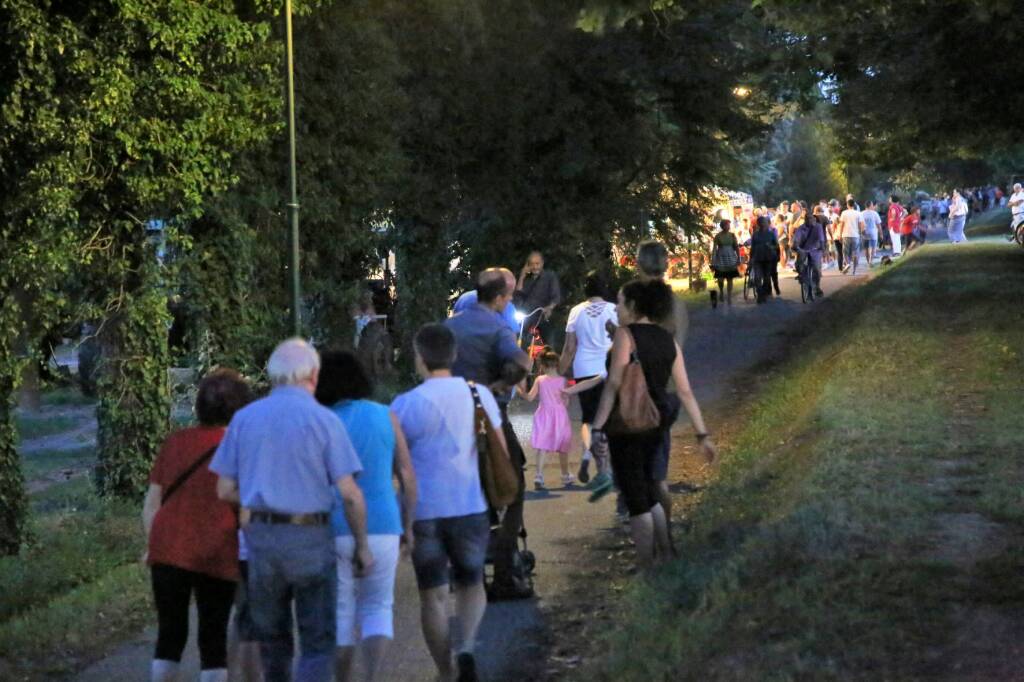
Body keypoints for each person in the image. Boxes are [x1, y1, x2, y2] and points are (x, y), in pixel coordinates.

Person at [211, 339, 371, 682]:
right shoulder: (324, 420)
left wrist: (259, 493)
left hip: (262, 539)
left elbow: (224, 488)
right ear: (312, 374)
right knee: (316, 640)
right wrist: (362, 545)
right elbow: (350, 494)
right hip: (311, 537)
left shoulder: (244, 419)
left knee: (273, 640)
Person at [391, 324, 505, 682]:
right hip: (470, 504)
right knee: (473, 582)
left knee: (433, 595)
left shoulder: (404, 404)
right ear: (453, 355)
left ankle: (445, 670)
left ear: (419, 358)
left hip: (423, 510)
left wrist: (402, 521)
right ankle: (467, 647)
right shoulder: (478, 395)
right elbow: (499, 446)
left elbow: (399, 465)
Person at [588, 280, 716, 569]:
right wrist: (702, 435)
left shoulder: (625, 335)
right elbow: (684, 391)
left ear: (633, 306)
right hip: (656, 422)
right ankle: (665, 551)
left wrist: (597, 426)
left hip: (628, 425)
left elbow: (614, 384)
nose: (617, 308)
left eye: (620, 302)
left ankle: (646, 566)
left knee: (636, 500)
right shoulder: (667, 339)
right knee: (649, 488)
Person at [143, 369, 253, 682]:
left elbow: (152, 504)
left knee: (170, 633)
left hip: (167, 548)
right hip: (217, 549)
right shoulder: (240, 446)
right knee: (213, 637)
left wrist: (153, 544)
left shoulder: (175, 441)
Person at [314, 351, 417, 682]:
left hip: (332, 525)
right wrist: (408, 526)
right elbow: (406, 474)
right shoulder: (386, 416)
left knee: (341, 611)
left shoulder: (321, 420)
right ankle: (371, 676)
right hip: (384, 523)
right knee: (377, 608)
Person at [446, 269, 533, 600]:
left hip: (453, 421)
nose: (508, 302)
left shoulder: (449, 326)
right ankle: (505, 575)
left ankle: (470, 574)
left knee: (467, 493)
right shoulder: (499, 327)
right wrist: (500, 385)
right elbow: (522, 363)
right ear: (498, 298)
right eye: (507, 297)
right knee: (514, 486)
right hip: (487, 416)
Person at [558, 270, 617, 483]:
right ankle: (604, 467)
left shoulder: (576, 312)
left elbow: (569, 347)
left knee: (587, 418)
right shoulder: (614, 310)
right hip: (608, 370)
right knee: (606, 417)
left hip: (583, 369)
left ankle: (586, 454)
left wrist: (559, 373)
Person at [522, 351, 573, 490]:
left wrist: (520, 389)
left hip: (543, 414)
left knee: (542, 446)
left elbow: (530, 398)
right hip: (560, 415)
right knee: (563, 446)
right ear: (557, 365)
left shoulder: (540, 380)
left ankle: (538, 476)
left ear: (542, 365)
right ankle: (565, 475)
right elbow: (566, 402)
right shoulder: (563, 381)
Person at [514, 250, 562, 346]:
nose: (535, 267)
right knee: (521, 344)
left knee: (545, 347)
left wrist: (550, 307)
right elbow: (517, 295)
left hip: (542, 318)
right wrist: (522, 276)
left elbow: (556, 296)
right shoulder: (527, 279)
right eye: (532, 264)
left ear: (542, 263)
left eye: (537, 263)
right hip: (527, 318)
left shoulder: (549, 276)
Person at [453, 270, 519, 334]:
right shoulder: (507, 307)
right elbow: (511, 336)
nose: (511, 297)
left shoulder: (465, 297)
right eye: (510, 292)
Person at [793, 209, 827, 297]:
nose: (810, 220)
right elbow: (796, 239)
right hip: (804, 249)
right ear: (805, 220)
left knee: (816, 269)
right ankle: (801, 275)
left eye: (812, 219)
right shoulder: (801, 228)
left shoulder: (818, 227)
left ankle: (817, 287)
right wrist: (796, 246)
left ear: (814, 219)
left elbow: (821, 238)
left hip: (815, 249)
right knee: (799, 264)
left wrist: (822, 247)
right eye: (808, 219)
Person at [710, 219, 741, 307]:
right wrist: (713, 260)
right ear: (722, 226)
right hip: (721, 259)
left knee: (730, 278)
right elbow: (714, 249)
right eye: (727, 225)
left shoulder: (732, 235)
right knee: (720, 278)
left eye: (729, 225)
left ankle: (729, 296)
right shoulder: (718, 236)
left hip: (730, 258)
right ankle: (721, 291)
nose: (728, 226)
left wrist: (738, 258)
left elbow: (736, 247)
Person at [750, 216, 779, 303]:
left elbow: (776, 245)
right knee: (757, 278)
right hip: (758, 259)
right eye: (761, 222)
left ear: (767, 223)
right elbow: (753, 247)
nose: (763, 224)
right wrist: (751, 259)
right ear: (758, 224)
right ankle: (760, 294)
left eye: (764, 222)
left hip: (768, 258)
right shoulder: (755, 234)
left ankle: (764, 293)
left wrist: (771, 247)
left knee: (766, 278)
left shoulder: (771, 234)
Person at [838, 198, 864, 275]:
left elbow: (841, 225)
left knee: (845, 252)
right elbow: (861, 225)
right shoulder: (858, 213)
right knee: (855, 253)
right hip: (855, 236)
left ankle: (848, 263)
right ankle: (854, 271)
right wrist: (860, 234)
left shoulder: (844, 213)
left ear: (847, 205)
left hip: (846, 235)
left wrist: (840, 234)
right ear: (854, 205)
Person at [860, 200, 882, 267]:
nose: (873, 206)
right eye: (872, 205)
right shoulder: (875, 213)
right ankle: (870, 261)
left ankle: (868, 261)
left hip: (864, 232)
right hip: (873, 232)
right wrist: (881, 234)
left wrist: (860, 231)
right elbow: (878, 225)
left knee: (866, 248)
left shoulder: (861, 213)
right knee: (873, 247)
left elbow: (859, 223)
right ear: (870, 205)